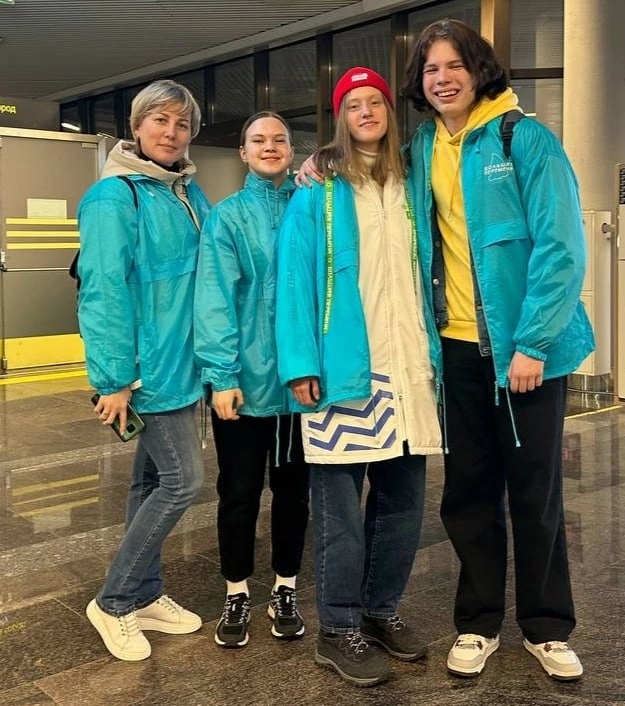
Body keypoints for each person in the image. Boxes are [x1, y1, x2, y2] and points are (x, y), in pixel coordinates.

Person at [401, 19, 594, 681]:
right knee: (467, 492)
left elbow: (561, 247)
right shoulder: (422, 148)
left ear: (478, 70)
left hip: (524, 353)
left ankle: (547, 627)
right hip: (454, 350)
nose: (442, 79)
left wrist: (534, 342)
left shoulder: (523, 139)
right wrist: (318, 166)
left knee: (535, 491)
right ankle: (478, 622)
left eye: (454, 65)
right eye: (431, 69)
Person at [275, 67, 443, 688]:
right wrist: (299, 363)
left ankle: (380, 609)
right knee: (340, 509)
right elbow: (294, 279)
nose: (367, 111)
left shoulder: (410, 182)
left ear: (389, 112)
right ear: (340, 118)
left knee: (402, 503)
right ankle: (338, 625)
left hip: (408, 365)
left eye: (375, 102)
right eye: (354, 104)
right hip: (345, 367)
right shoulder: (318, 190)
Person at [77, 79, 210, 661]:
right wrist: (112, 380)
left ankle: (146, 593)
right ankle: (113, 601)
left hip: (183, 363)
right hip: (147, 370)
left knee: (152, 482)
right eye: (160, 120)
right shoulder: (114, 197)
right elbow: (103, 291)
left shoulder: (186, 192)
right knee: (184, 481)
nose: (171, 133)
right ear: (136, 127)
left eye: (182, 124)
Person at [193, 111, 310, 649]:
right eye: (258, 140)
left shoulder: (310, 208)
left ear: (291, 150)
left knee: (293, 494)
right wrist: (221, 375)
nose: (269, 147)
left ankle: (286, 588)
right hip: (241, 385)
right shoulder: (228, 217)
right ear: (242, 152)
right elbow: (214, 299)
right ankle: (236, 592)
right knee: (238, 493)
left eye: (279, 139)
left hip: (300, 387)